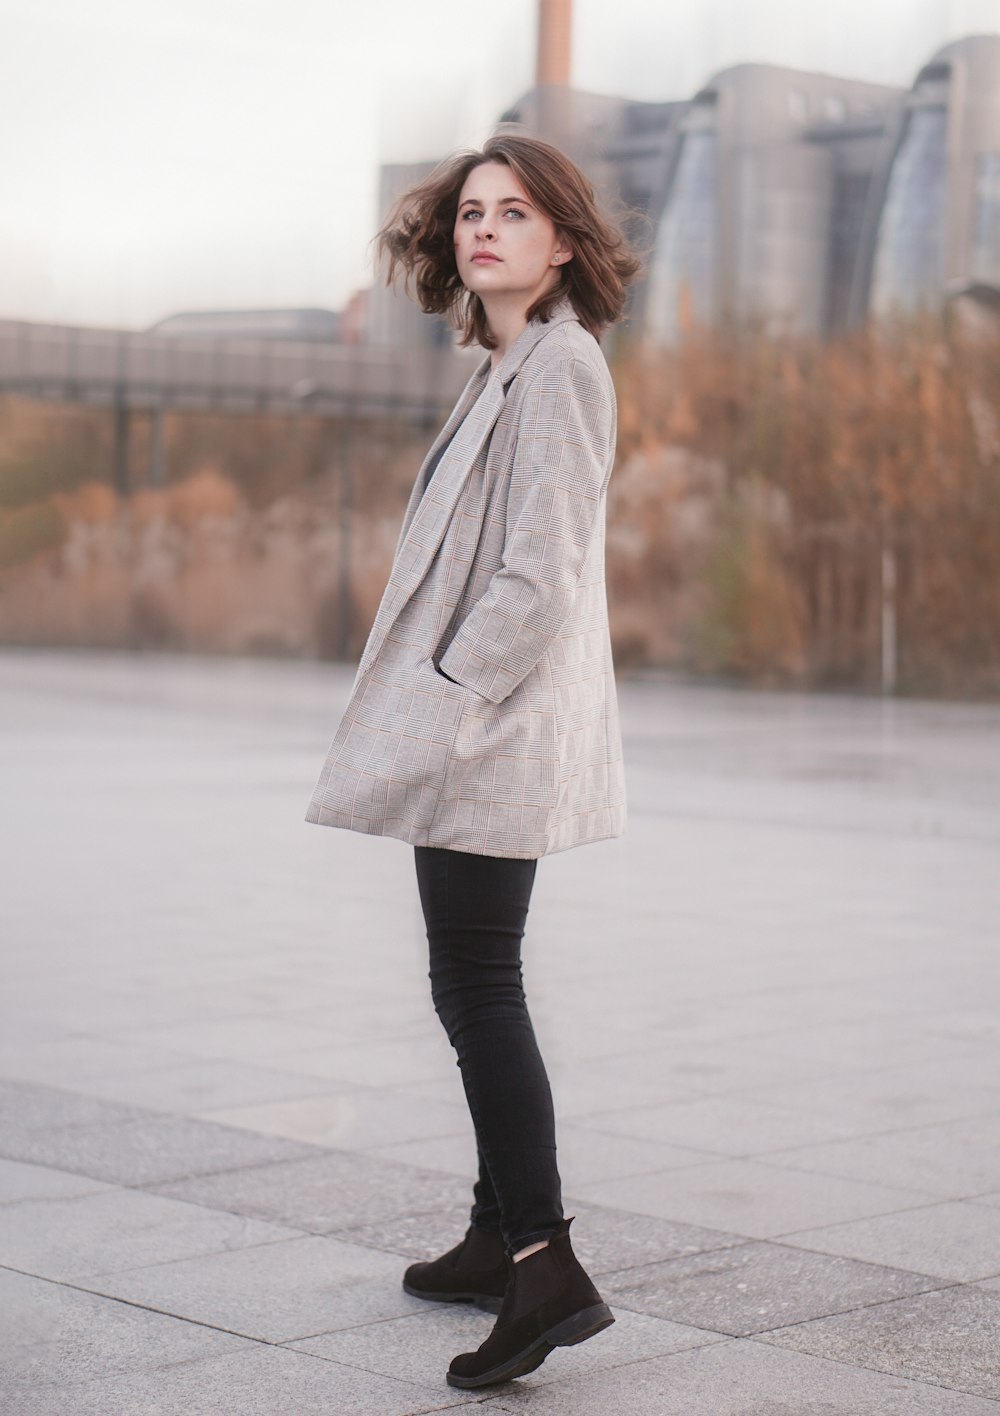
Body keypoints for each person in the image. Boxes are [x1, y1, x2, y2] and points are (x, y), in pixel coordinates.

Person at [305, 131, 640, 1389]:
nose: (483, 230)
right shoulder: (503, 362)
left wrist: (450, 696)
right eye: (469, 214)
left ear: (562, 241)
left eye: (514, 213)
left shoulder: (562, 368)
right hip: (481, 723)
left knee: (480, 983)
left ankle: (546, 1263)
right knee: (466, 978)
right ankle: (499, 1227)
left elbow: (541, 570)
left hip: (490, 725)